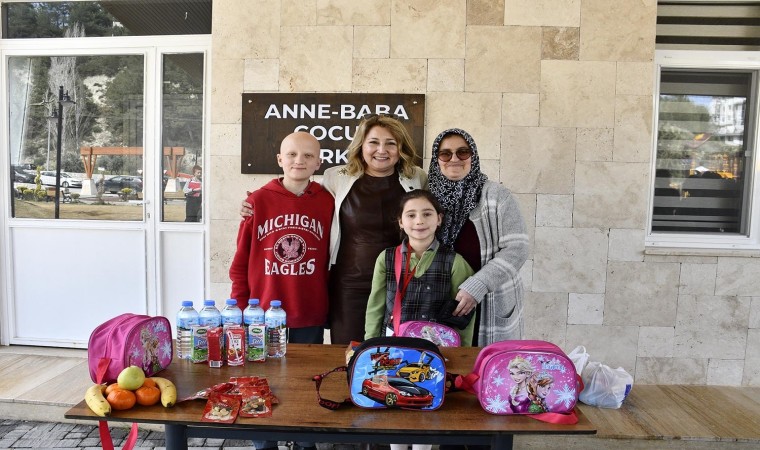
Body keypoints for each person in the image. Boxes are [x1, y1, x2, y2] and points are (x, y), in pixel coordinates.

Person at [240, 114, 427, 345]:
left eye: (391, 143)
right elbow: (301, 201)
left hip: (400, 281)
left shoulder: (417, 177)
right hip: (349, 284)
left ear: (401, 148)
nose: (382, 150)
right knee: (349, 353)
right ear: (361, 145)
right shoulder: (337, 177)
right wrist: (256, 205)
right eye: (373, 142)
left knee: (397, 352)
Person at [228, 131, 335, 450]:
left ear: (319, 161)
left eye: (307, 155)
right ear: (279, 160)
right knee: (260, 381)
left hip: (307, 310)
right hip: (261, 313)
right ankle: (265, 441)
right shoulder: (258, 200)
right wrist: (240, 307)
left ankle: (304, 440)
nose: (299, 161)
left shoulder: (327, 201)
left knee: (305, 382)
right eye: (291, 154)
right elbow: (240, 260)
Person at [427, 128, 529, 346]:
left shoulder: (496, 195)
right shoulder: (425, 199)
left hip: (488, 303)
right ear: (437, 160)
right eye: (445, 154)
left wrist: (478, 286)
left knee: (486, 371)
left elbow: (517, 249)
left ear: (473, 156)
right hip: (440, 304)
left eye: (462, 152)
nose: (454, 159)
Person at [364, 189, 475, 347]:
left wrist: (462, 353)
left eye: (427, 214)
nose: (419, 221)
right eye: (411, 215)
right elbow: (375, 307)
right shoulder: (386, 258)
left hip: (437, 349)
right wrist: (370, 345)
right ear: (401, 222)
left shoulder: (455, 262)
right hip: (393, 346)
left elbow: (462, 314)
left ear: (439, 219)